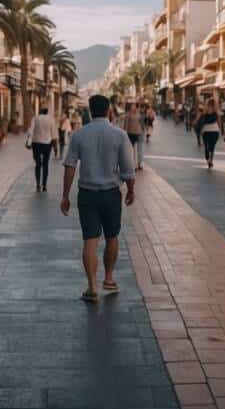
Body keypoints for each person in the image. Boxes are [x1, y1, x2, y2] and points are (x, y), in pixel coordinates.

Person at [61, 94, 136, 303]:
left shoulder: (79, 135)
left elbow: (70, 165)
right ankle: (109, 279)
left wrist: (65, 195)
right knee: (112, 237)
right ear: (108, 111)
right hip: (111, 194)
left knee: (90, 241)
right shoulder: (120, 135)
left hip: (87, 195)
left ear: (91, 111)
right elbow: (128, 168)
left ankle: (92, 286)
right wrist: (131, 190)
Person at [27, 106, 57, 191]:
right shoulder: (51, 119)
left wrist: (28, 142)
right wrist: (55, 148)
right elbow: (54, 134)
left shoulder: (35, 118)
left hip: (36, 143)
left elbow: (30, 131)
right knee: (45, 164)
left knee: (38, 164)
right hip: (47, 144)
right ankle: (44, 185)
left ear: (40, 112)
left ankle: (37, 184)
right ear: (47, 112)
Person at [197, 100, 224, 169]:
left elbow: (202, 121)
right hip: (214, 130)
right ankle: (210, 160)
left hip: (206, 130)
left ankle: (207, 156)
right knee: (212, 146)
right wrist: (220, 130)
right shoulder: (217, 112)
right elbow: (219, 122)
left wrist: (200, 130)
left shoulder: (204, 112)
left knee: (206, 145)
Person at [119, 102, 144, 170]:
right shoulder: (128, 115)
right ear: (130, 107)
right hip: (130, 133)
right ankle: (132, 165)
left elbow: (140, 123)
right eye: (132, 106)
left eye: (134, 106)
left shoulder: (138, 114)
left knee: (135, 149)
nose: (134, 107)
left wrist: (141, 131)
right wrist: (125, 133)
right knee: (131, 149)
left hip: (137, 133)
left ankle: (135, 165)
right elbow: (126, 125)